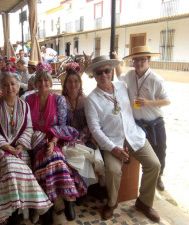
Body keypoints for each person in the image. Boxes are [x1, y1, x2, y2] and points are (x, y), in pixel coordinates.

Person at [84, 55, 161, 222]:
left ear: (111, 71)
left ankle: (144, 202)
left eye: (107, 70)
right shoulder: (92, 99)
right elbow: (95, 130)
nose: (104, 74)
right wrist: (113, 148)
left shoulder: (122, 87)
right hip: (112, 142)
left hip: (133, 135)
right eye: (99, 72)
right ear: (94, 76)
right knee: (112, 170)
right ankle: (111, 203)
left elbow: (141, 85)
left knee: (154, 165)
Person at [0, 71, 52, 225]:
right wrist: (6, 146)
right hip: (0, 149)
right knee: (11, 167)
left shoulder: (24, 105)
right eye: (5, 85)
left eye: (12, 84)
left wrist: (19, 145)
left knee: (19, 165)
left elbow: (29, 128)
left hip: (20, 148)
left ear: (18, 86)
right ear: (0, 88)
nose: (9, 87)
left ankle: (22, 210)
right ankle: (16, 212)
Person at [25, 62, 80, 224]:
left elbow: (62, 125)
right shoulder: (28, 100)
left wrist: (53, 142)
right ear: (35, 83)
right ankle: (50, 204)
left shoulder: (58, 100)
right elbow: (26, 126)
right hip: (36, 141)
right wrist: (40, 141)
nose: (43, 84)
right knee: (45, 158)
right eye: (39, 81)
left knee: (54, 156)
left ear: (50, 83)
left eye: (46, 81)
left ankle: (68, 200)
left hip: (55, 138)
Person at [114, 46, 170, 191]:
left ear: (149, 61)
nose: (138, 63)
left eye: (142, 60)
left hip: (155, 124)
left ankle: (158, 177)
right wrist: (116, 61)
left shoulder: (156, 80)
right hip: (137, 124)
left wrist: (148, 103)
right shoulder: (131, 75)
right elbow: (120, 76)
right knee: (144, 154)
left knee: (160, 152)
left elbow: (166, 101)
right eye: (136, 60)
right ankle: (144, 181)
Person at [62, 62, 104, 198]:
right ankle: (76, 189)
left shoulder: (86, 100)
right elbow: (60, 124)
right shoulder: (61, 101)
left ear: (80, 84)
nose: (73, 84)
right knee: (71, 153)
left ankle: (85, 188)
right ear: (65, 84)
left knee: (87, 154)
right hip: (67, 136)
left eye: (75, 81)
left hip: (84, 135)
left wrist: (87, 136)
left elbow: (92, 122)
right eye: (69, 81)